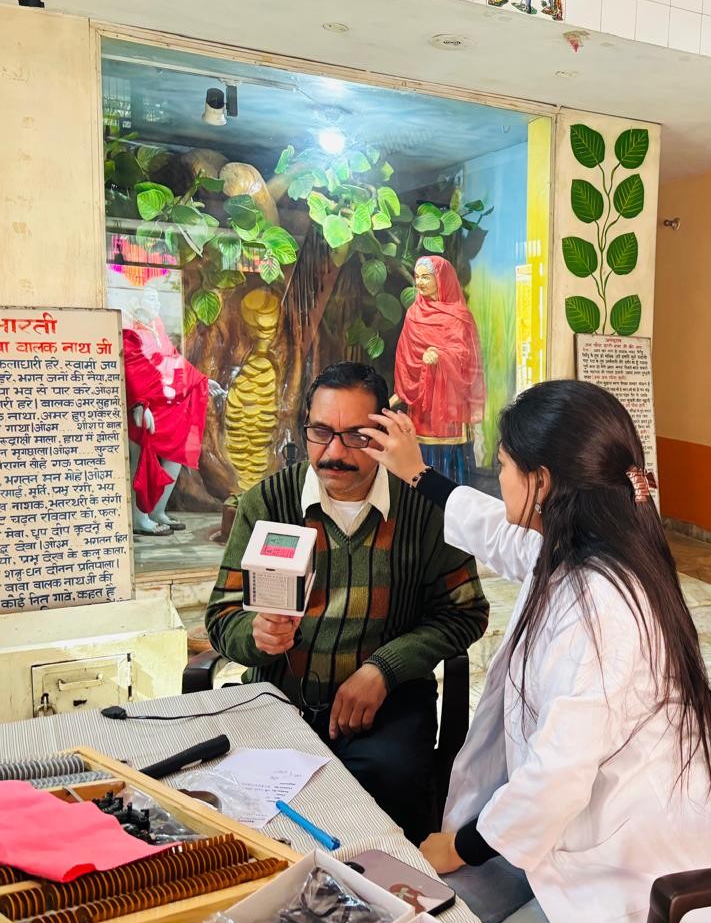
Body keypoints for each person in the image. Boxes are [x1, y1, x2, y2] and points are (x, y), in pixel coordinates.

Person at [359, 380, 711, 923]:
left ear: (540, 482)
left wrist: (462, 847)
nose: (497, 480)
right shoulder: (577, 546)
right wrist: (417, 474)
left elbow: (556, 778)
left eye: (502, 466)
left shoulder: (604, 609)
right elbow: (496, 530)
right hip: (569, 830)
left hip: (622, 866)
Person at [205, 361, 489, 845]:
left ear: (384, 433)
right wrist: (253, 635)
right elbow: (223, 613)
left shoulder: (424, 508)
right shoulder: (268, 503)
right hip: (280, 701)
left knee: (385, 811)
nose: (333, 453)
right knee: (252, 822)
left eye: (356, 435)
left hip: (389, 707)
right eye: (320, 432)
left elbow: (465, 611)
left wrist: (385, 668)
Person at [122, 285, 209, 535]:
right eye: (152, 298)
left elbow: (171, 358)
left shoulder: (155, 324)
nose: (158, 304)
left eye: (158, 299)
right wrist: (138, 403)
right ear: (137, 301)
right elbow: (132, 369)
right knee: (141, 462)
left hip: (163, 403)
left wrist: (200, 380)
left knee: (176, 456)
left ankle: (158, 510)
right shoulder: (129, 328)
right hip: (142, 406)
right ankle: (140, 519)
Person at [393, 256, 485, 484]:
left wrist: (440, 356)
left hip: (451, 413)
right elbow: (405, 361)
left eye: (426, 277)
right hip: (422, 411)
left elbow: (469, 360)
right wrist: (423, 361)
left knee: (453, 480)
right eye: (417, 277)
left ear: (441, 279)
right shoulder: (413, 315)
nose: (420, 283)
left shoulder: (460, 317)